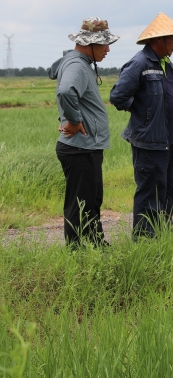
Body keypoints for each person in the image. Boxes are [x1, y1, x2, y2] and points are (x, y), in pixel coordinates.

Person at [110, 12, 173, 239]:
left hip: (168, 142)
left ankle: (161, 235)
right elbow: (118, 96)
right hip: (149, 142)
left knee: (169, 191)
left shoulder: (166, 64)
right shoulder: (139, 63)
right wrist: (145, 114)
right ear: (159, 40)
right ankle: (145, 241)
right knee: (150, 193)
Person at [49, 18, 119, 247]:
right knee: (81, 203)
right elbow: (66, 91)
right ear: (89, 43)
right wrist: (75, 120)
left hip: (85, 146)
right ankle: (80, 252)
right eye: (104, 44)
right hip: (80, 147)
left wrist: (69, 118)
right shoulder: (78, 65)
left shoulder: (79, 63)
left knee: (90, 201)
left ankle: (95, 245)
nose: (108, 49)